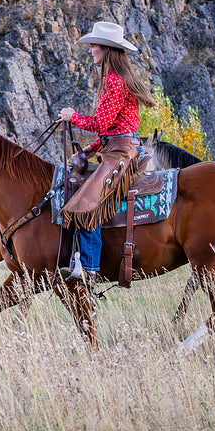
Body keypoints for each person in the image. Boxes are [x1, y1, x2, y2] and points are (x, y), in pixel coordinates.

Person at [55, 21, 155, 283]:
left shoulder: (114, 80)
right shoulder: (118, 79)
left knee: (86, 206)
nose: (90, 50)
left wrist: (71, 116)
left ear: (106, 49)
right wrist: (89, 150)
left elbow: (100, 124)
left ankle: (88, 269)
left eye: (93, 45)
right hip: (118, 147)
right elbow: (112, 129)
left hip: (122, 153)